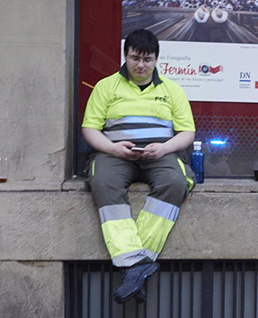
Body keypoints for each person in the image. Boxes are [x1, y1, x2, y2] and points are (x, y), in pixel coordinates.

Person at [82, 29, 196, 304]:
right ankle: (139, 265)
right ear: (125, 56)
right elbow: (90, 129)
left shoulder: (172, 90)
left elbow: (187, 133)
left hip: (161, 155)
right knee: (102, 182)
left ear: (157, 59)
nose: (141, 65)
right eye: (135, 58)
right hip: (114, 155)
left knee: (176, 182)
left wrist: (165, 147)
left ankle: (134, 265)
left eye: (147, 59)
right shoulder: (106, 87)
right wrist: (112, 148)